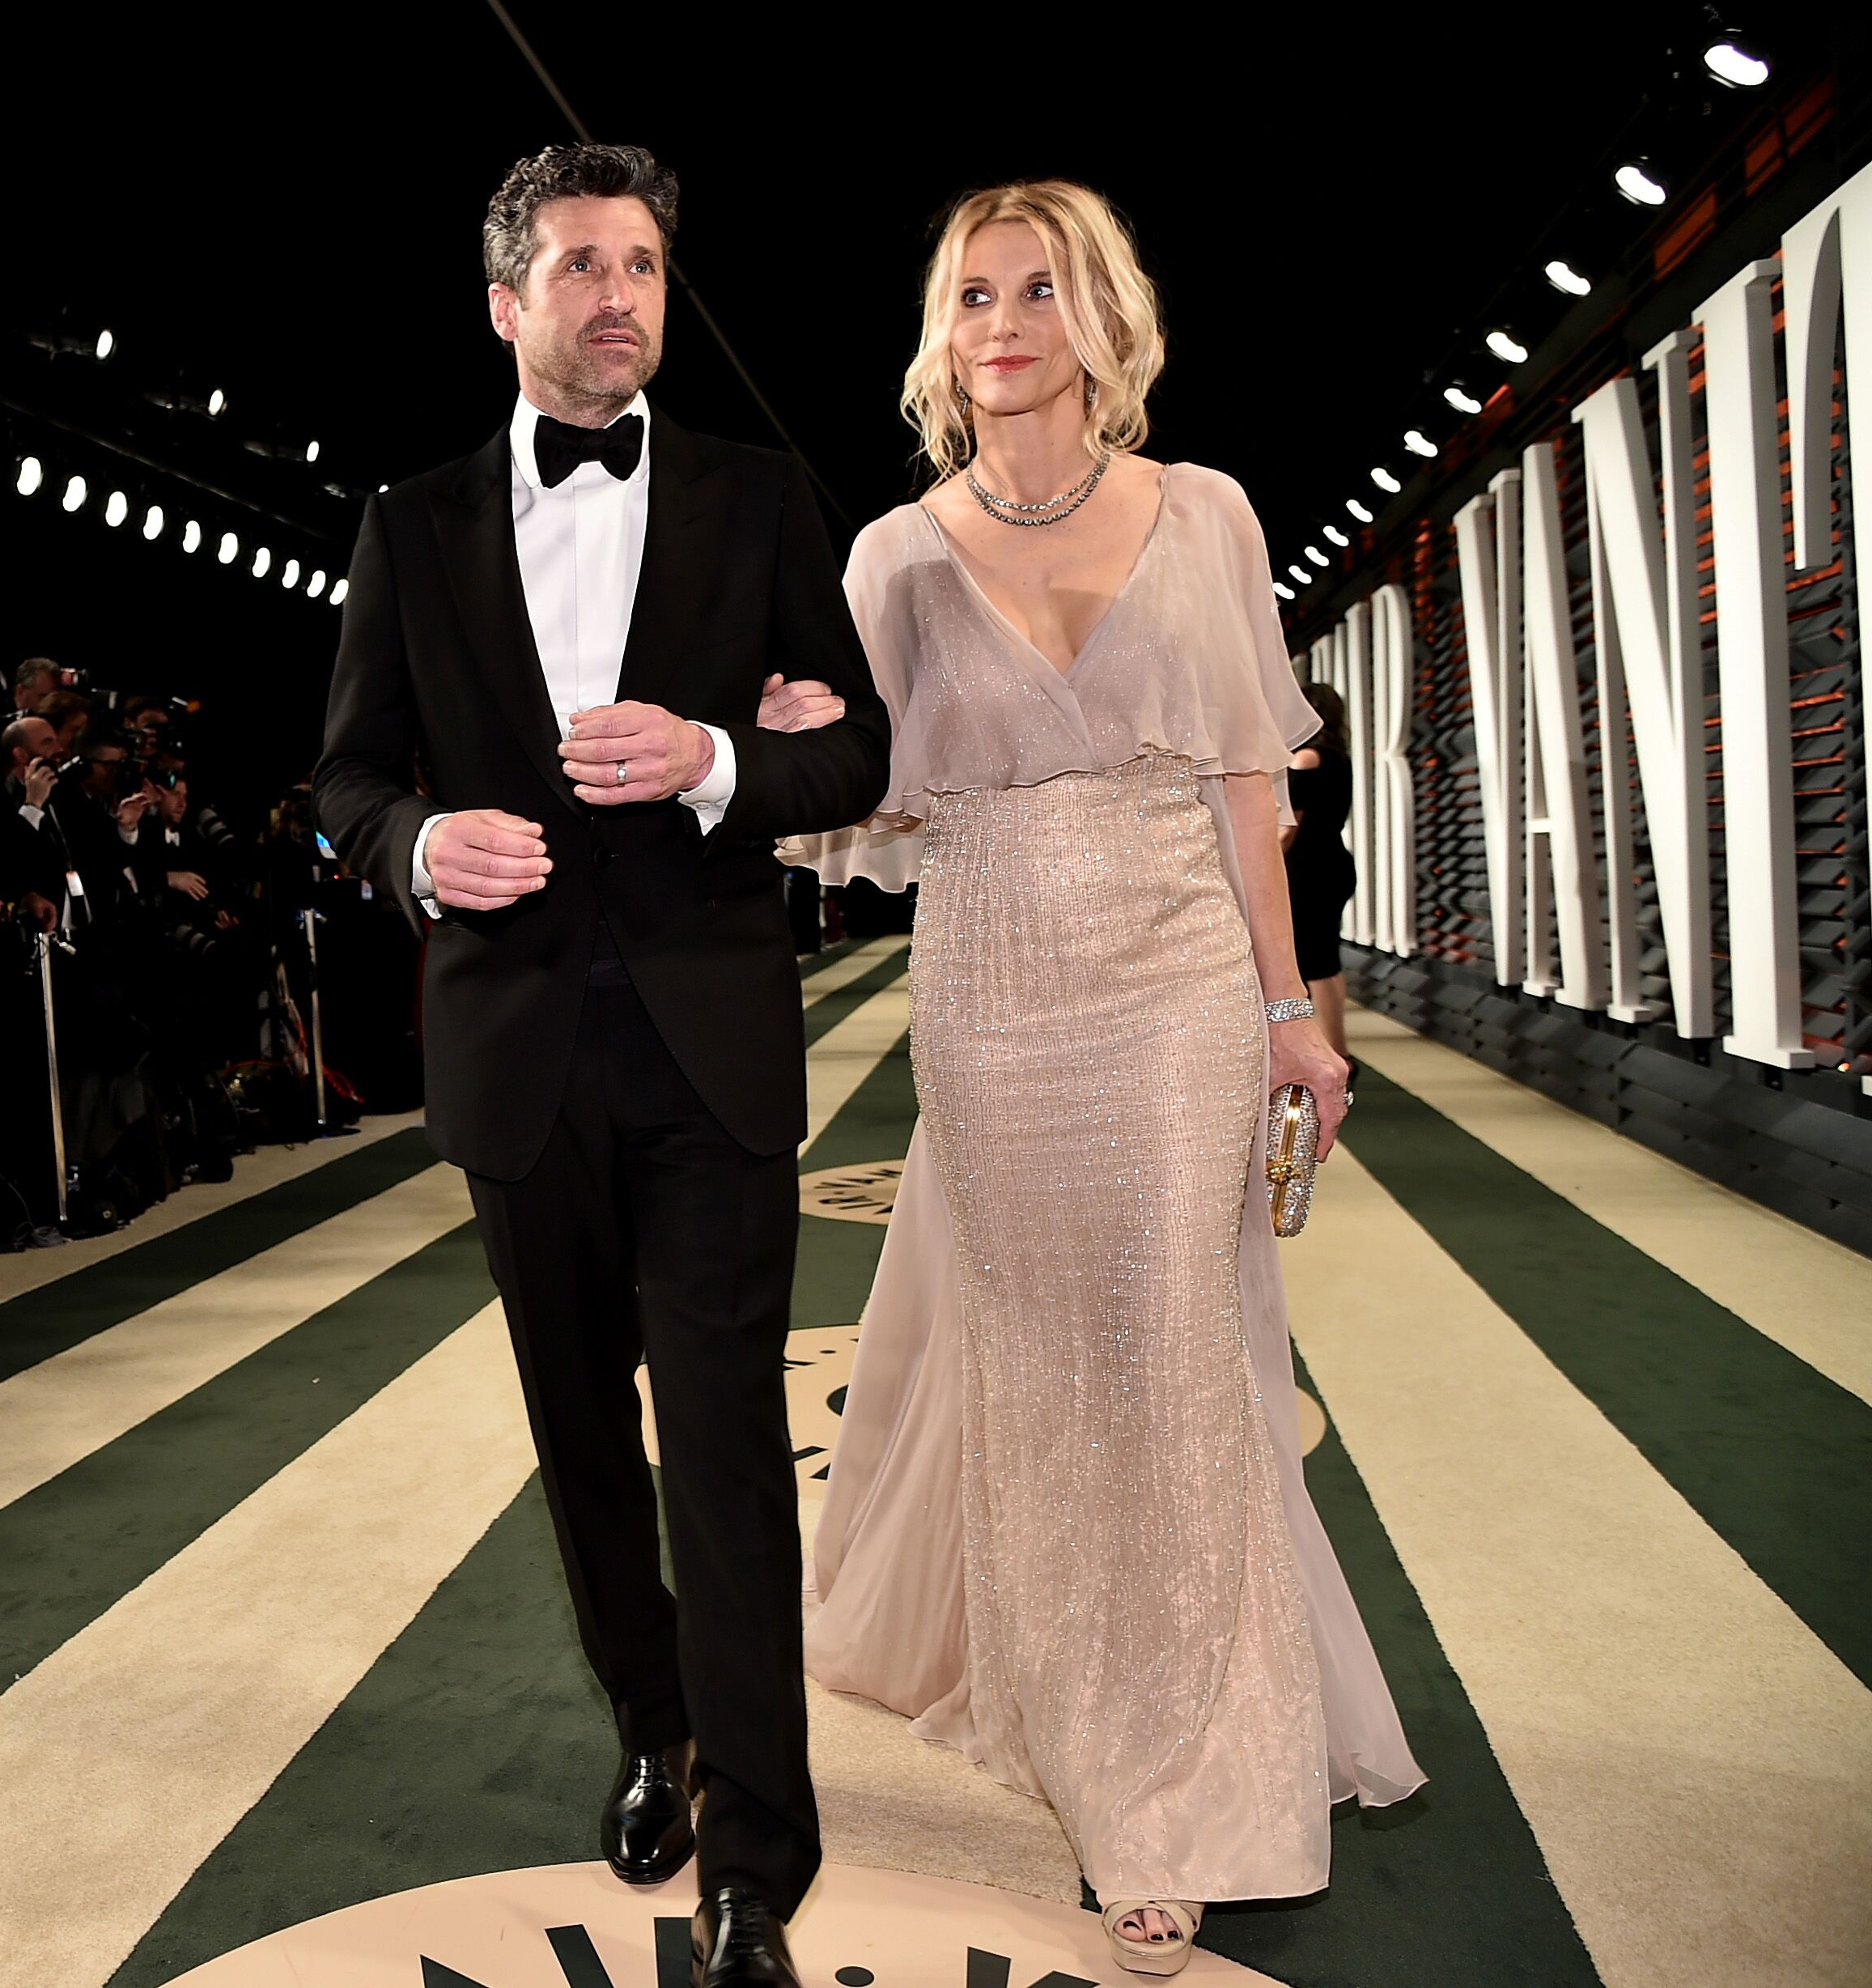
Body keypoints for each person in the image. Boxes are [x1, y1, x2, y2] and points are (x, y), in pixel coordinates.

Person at [784, 181, 1422, 1977]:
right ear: (944, 331)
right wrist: (780, 743)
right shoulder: (895, 556)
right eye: (973, 294)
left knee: (1178, 1358)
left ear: (1100, 320)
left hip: (1177, 990)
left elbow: (1246, 782)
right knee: (1051, 1371)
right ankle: (1073, 1709)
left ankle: (1179, 1789)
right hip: (990, 989)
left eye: (1039, 290)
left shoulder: (1200, 511)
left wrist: (1293, 1008)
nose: (1003, 322)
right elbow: (872, 809)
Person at [312, 142, 889, 1988]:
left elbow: (854, 752)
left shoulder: (760, 492)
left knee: (723, 1447)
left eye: (639, 261)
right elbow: (343, 780)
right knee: (583, 1444)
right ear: (506, 303)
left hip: (711, 1044)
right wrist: (416, 847)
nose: (618, 292)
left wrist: (719, 758)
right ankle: (653, 1721)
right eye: (579, 264)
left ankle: (756, 1858)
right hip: (515, 1052)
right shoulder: (408, 524)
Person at [1284, 678, 1356, 1060]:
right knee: (1327, 960)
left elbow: (1288, 828)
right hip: (1333, 863)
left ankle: (1335, 1054)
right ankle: (1338, 1050)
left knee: (1313, 963)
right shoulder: (1338, 757)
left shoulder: (1305, 758)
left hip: (1308, 870)